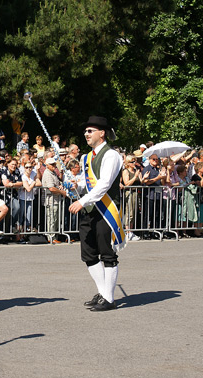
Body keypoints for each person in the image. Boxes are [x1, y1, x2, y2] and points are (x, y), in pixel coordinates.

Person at [69, 116, 124, 312]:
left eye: (90, 131)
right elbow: (87, 182)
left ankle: (109, 298)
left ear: (102, 133)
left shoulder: (111, 155)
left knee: (107, 254)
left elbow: (104, 184)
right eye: (86, 131)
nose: (86, 134)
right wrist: (76, 183)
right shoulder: (86, 157)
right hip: (90, 210)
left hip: (106, 210)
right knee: (89, 254)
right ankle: (103, 293)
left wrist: (81, 201)